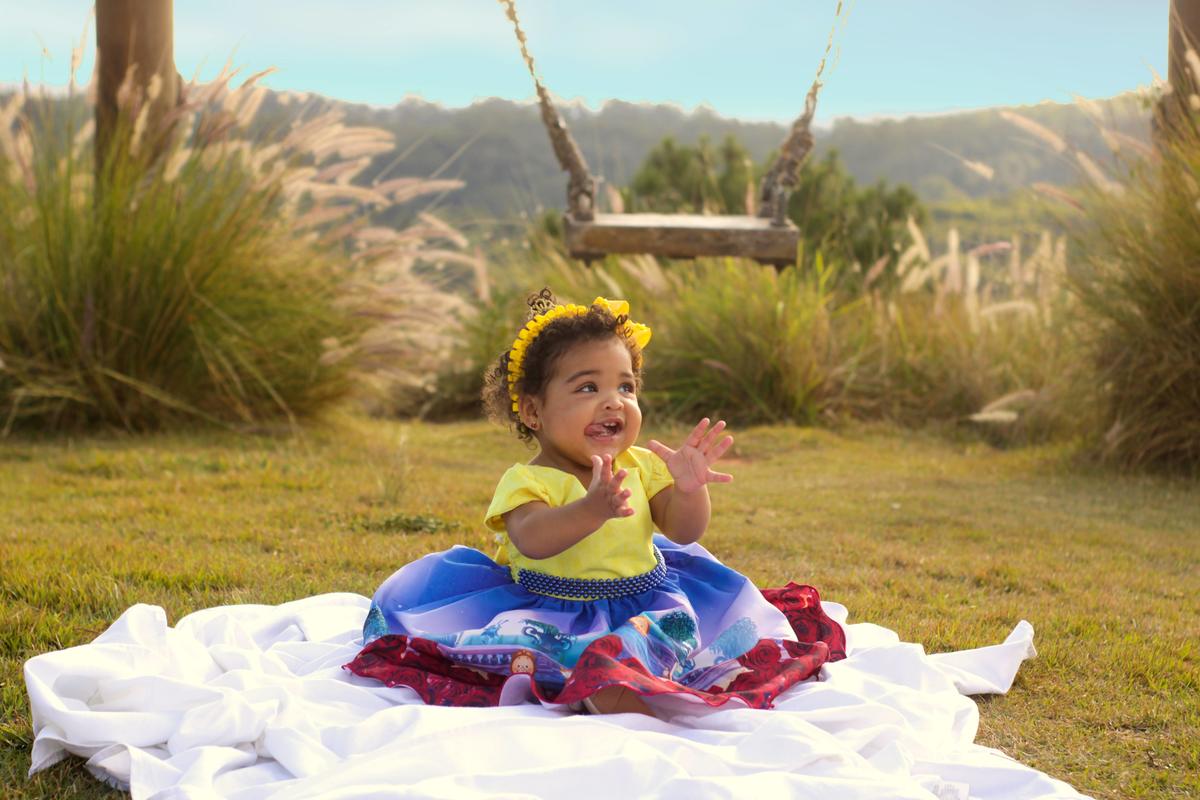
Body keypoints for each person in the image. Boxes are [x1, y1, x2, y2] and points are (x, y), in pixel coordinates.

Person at [344, 289, 845, 715]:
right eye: (588, 386)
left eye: (626, 386)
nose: (614, 402)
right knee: (567, 656)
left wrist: (691, 490)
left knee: (673, 646)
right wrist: (592, 509)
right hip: (550, 608)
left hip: (644, 602)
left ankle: (624, 681)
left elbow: (684, 531)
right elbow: (533, 539)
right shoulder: (529, 481)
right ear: (535, 410)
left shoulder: (643, 465)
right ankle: (604, 691)